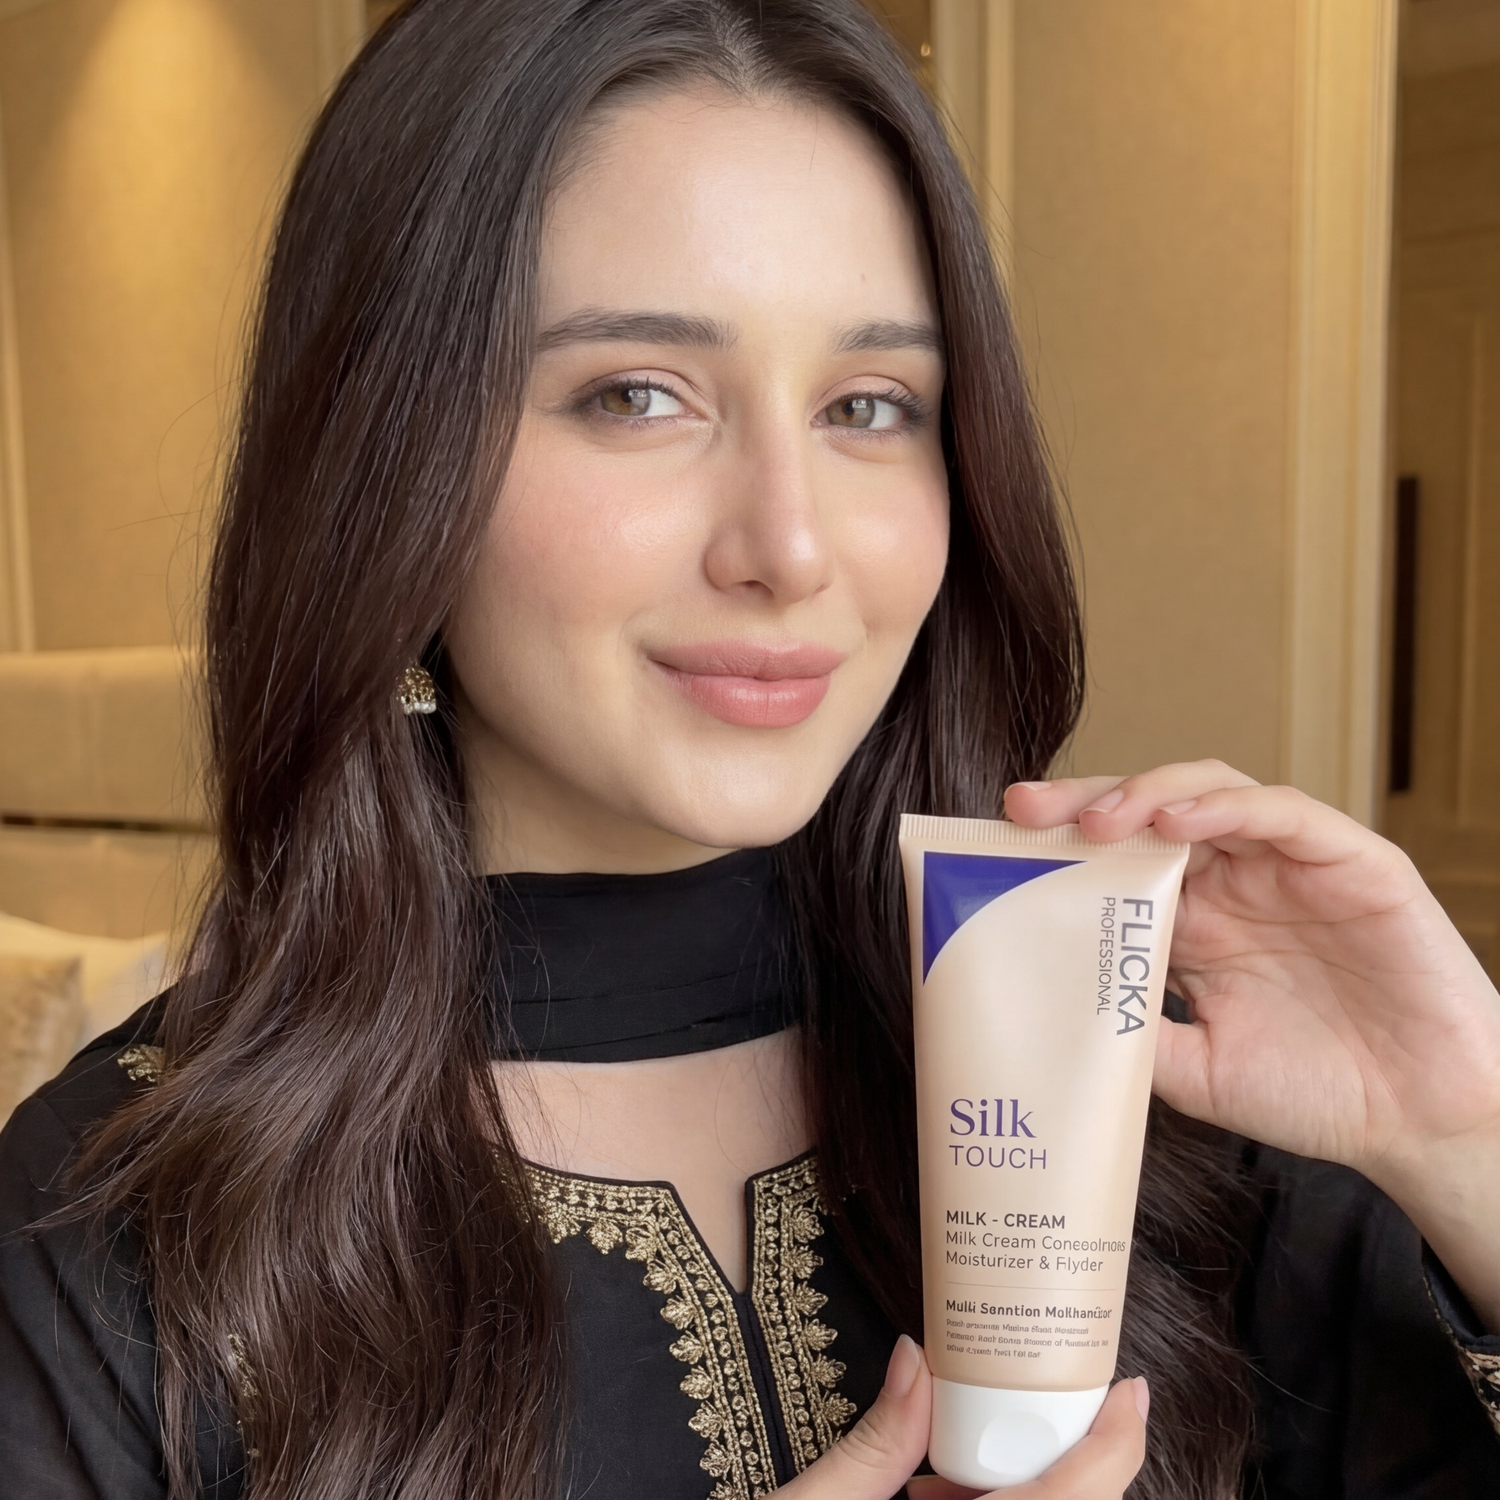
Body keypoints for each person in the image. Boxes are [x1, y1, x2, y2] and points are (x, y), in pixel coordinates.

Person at [2, 2, 1498, 1497]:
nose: (790, 547)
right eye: (636, 395)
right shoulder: (110, 1231)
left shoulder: (1131, 1097)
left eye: (870, 406)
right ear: (384, 465)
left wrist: (1466, 1136)